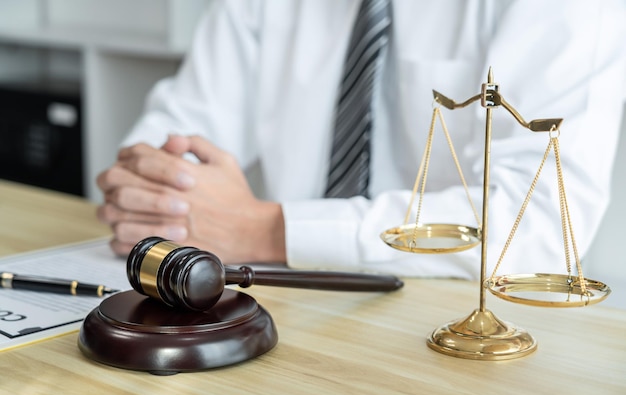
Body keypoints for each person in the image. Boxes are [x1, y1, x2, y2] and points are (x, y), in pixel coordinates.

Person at [97, 0, 626, 279]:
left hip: (468, 336)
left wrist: (269, 231)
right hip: (286, 307)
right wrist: (155, 195)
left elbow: (540, 229)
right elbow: (173, 136)